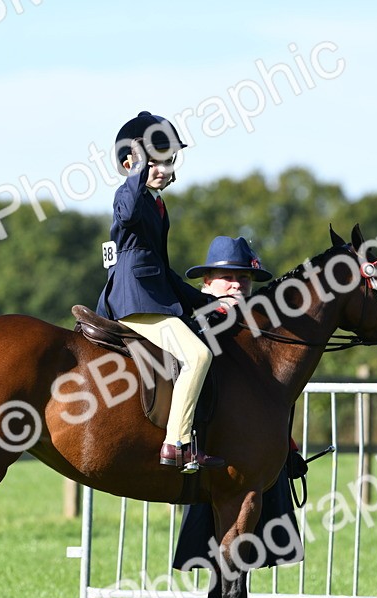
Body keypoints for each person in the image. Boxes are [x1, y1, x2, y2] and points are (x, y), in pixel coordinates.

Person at [96, 111, 223, 472]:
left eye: (169, 162)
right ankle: (176, 443)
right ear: (130, 163)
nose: (164, 170)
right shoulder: (129, 194)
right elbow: (126, 213)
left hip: (152, 295)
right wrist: (138, 166)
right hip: (136, 301)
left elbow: (163, 272)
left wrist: (206, 301)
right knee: (198, 356)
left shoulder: (157, 204)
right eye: (156, 163)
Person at [172, 236, 309, 572]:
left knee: (238, 567)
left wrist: (287, 447)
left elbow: (269, 402)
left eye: (243, 278)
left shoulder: (261, 332)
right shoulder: (192, 329)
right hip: (209, 461)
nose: (236, 285)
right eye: (228, 278)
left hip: (250, 464)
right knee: (218, 568)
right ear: (206, 283)